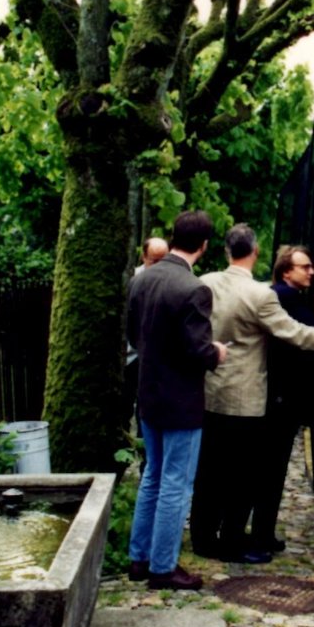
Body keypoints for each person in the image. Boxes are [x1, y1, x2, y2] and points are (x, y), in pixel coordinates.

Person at [191, 224, 314, 563]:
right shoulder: (260, 294)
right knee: (243, 475)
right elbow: (295, 334)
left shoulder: (206, 284)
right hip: (246, 396)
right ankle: (233, 541)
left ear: (225, 251)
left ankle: (203, 538)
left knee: (210, 469)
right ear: (256, 253)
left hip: (210, 389)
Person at [126, 211, 228, 591]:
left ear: (172, 237)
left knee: (151, 476)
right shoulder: (194, 288)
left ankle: (140, 558)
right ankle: (163, 567)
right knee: (175, 483)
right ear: (203, 246)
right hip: (182, 400)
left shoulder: (143, 279)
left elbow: (135, 336)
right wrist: (217, 352)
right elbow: (199, 350)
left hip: (148, 393)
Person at [252, 245, 314, 552]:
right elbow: (308, 330)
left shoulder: (289, 296)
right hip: (286, 396)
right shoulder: (284, 297)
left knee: (274, 468)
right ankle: (261, 535)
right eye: (305, 267)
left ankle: (263, 533)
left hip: (288, 394)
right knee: (272, 468)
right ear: (287, 271)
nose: (311, 272)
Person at [125, 236, 170, 409]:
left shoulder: (171, 280)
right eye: (154, 261)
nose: (159, 266)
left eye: (163, 260)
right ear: (144, 257)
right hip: (133, 353)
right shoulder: (133, 279)